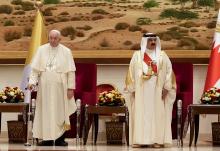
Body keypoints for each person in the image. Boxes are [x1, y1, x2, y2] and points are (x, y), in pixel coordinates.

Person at [125, 33, 176, 148]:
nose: (153, 42)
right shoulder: (137, 55)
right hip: (141, 91)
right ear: (145, 41)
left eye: (154, 40)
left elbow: (169, 72)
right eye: (150, 40)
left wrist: (167, 88)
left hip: (157, 91)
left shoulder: (162, 55)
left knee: (157, 114)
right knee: (140, 114)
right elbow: (130, 73)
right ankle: (139, 140)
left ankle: (157, 140)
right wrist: (132, 88)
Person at [27, 29, 77, 146]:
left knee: (60, 112)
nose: (52, 40)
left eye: (55, 38)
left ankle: (60, 139)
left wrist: (70, 88)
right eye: (51, 38)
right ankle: (47, 139)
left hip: (61, 89)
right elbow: (35, 70)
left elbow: (71, 72)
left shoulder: (66, 51)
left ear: (60, 39)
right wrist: (32, 82)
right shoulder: (41, 50)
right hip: (44, 89)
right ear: (48, 38)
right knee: (45, 112)